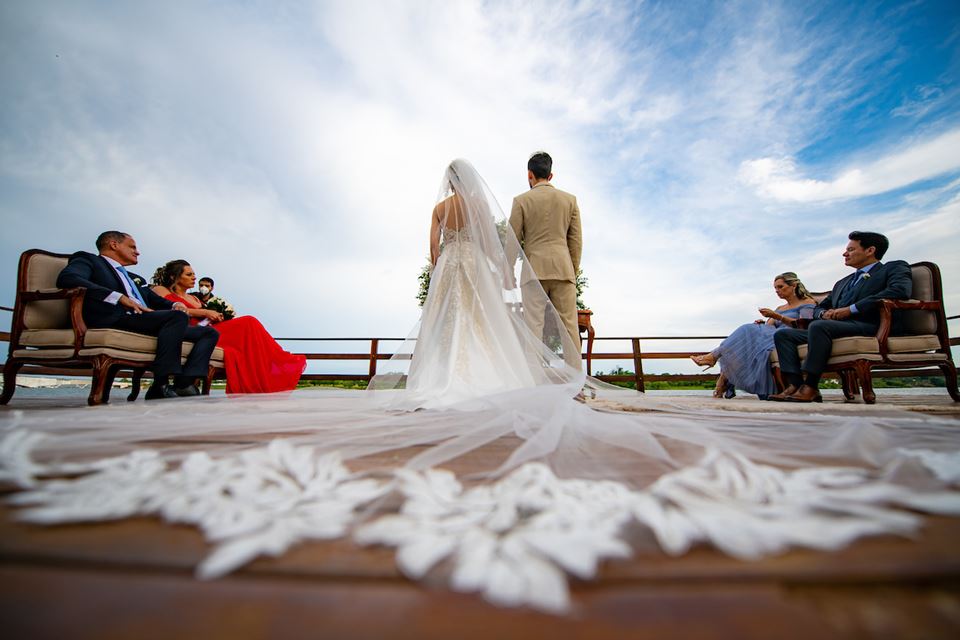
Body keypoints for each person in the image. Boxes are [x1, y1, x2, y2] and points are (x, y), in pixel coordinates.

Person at [6, 172, 959, 615]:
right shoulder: (504, 213)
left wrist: (441, 268)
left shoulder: (436, 211)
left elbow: (437, 259)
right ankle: (497, 378)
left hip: (452, 275)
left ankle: (447, 379)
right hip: (489, 272)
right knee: (484, 337)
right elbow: (504, 252)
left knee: (444, 338)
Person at [369, 158, 584, 408]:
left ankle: (523, 382)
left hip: (452, 265)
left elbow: (433, 251)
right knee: (556, 326)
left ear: (449, 182)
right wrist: (499, 267)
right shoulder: (482, 205)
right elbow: (488, 241)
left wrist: (443, 268)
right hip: (483, 263)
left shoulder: (439, 209)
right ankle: (575, 385)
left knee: (450, 318)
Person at [55, 231, 218, 399]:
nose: (137, 252)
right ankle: (160, 384)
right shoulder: (89, 260)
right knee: (176, 317)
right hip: (115, 317)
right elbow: (68, 278)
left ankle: (184, 383)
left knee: (208, 333)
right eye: (132, 247)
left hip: (141, 320)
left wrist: (175, 304)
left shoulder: (131, 277)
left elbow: (151, 297)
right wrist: (118, 297)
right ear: (114, 245)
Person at [771, 231, 912, 403]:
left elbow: (899, 291)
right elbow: (819, 307)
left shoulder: (893, 268)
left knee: (819, 326)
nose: (845, 253)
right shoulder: (842, 283)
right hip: (839, 328)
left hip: (873, 325)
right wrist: (823, 313)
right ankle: (795, 384)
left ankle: (811, 385)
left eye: (851, 249)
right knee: (783, 334)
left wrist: (851, 309)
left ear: (870, 250)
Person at [151, 260, 306, 394]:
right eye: (189, 275)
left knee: (249, 322)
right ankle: (280, 360)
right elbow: (168, 309)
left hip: (209, 328)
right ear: (174, 277)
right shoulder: (160, 290)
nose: (194, 278)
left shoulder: (194, 298)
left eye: (193, 274)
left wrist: (216, 314)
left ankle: (278, 358)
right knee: (248, 322)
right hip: (186, 328)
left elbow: (204, 316)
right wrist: (204, 311)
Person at [509, 152, 583, 369]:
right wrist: (572, 270)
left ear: (529, 174)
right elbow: (576, 240)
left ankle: (534, 382)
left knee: (533, 327)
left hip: (533, 272)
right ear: (551, 175)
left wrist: (508, 271)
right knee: (569, 328)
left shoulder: (521, 201)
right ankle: (576, 383)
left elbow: (513, 241)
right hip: (563, 270)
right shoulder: (570, 200)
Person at [691, 272, 817, 399]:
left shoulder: (807, 303)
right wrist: (763, 322)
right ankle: (717, 369)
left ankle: (715, 362)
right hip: (773, 336)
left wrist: (777, 316)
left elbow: (804, 326)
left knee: (746, 330)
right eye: (775, 288)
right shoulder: (780, 307)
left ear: (793, 285)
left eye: (780, 287)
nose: (777, 291)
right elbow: (770, 326)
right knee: (748, 332)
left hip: (789, 337)